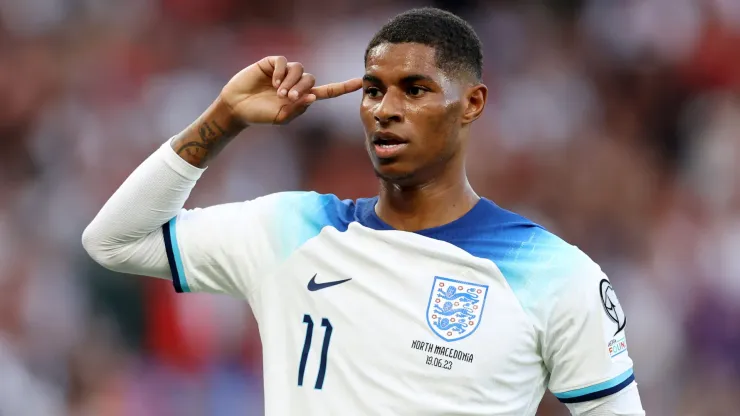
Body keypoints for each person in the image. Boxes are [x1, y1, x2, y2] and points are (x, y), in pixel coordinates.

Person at [82, 7, 645, 416]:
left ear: (472, 103)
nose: (386, 110)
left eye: (416, 89)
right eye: (373, 90)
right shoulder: (291, 231)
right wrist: (224, 118)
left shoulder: (556, 274)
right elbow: (113, 241)